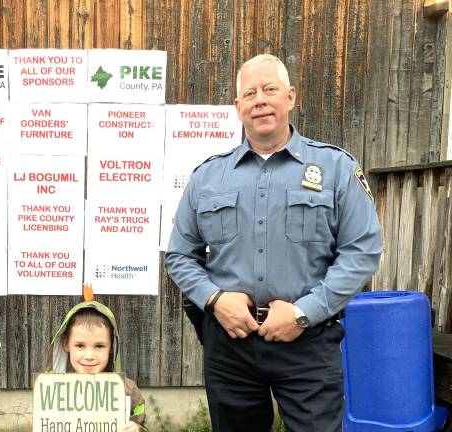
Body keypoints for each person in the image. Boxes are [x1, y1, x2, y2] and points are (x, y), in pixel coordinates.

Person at [165, 54, 382, 432]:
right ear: (238, 107)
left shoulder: (336, 169)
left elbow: (361, 252)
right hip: (231, 343)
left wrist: (303, 313)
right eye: (249, 93)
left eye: (270, 90)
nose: (260, 100)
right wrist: (216, 301)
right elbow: (181, 256)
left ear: (291, 97)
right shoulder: (208, 178)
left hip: (308, 341)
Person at [45, 286, 147, 431]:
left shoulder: (128, 390)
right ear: (66, 344)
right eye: (80, 345)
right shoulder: (52, 391)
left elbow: (142, 425)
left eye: (99, 346)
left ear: (112, 347)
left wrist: (137, 428)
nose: (89, 356)